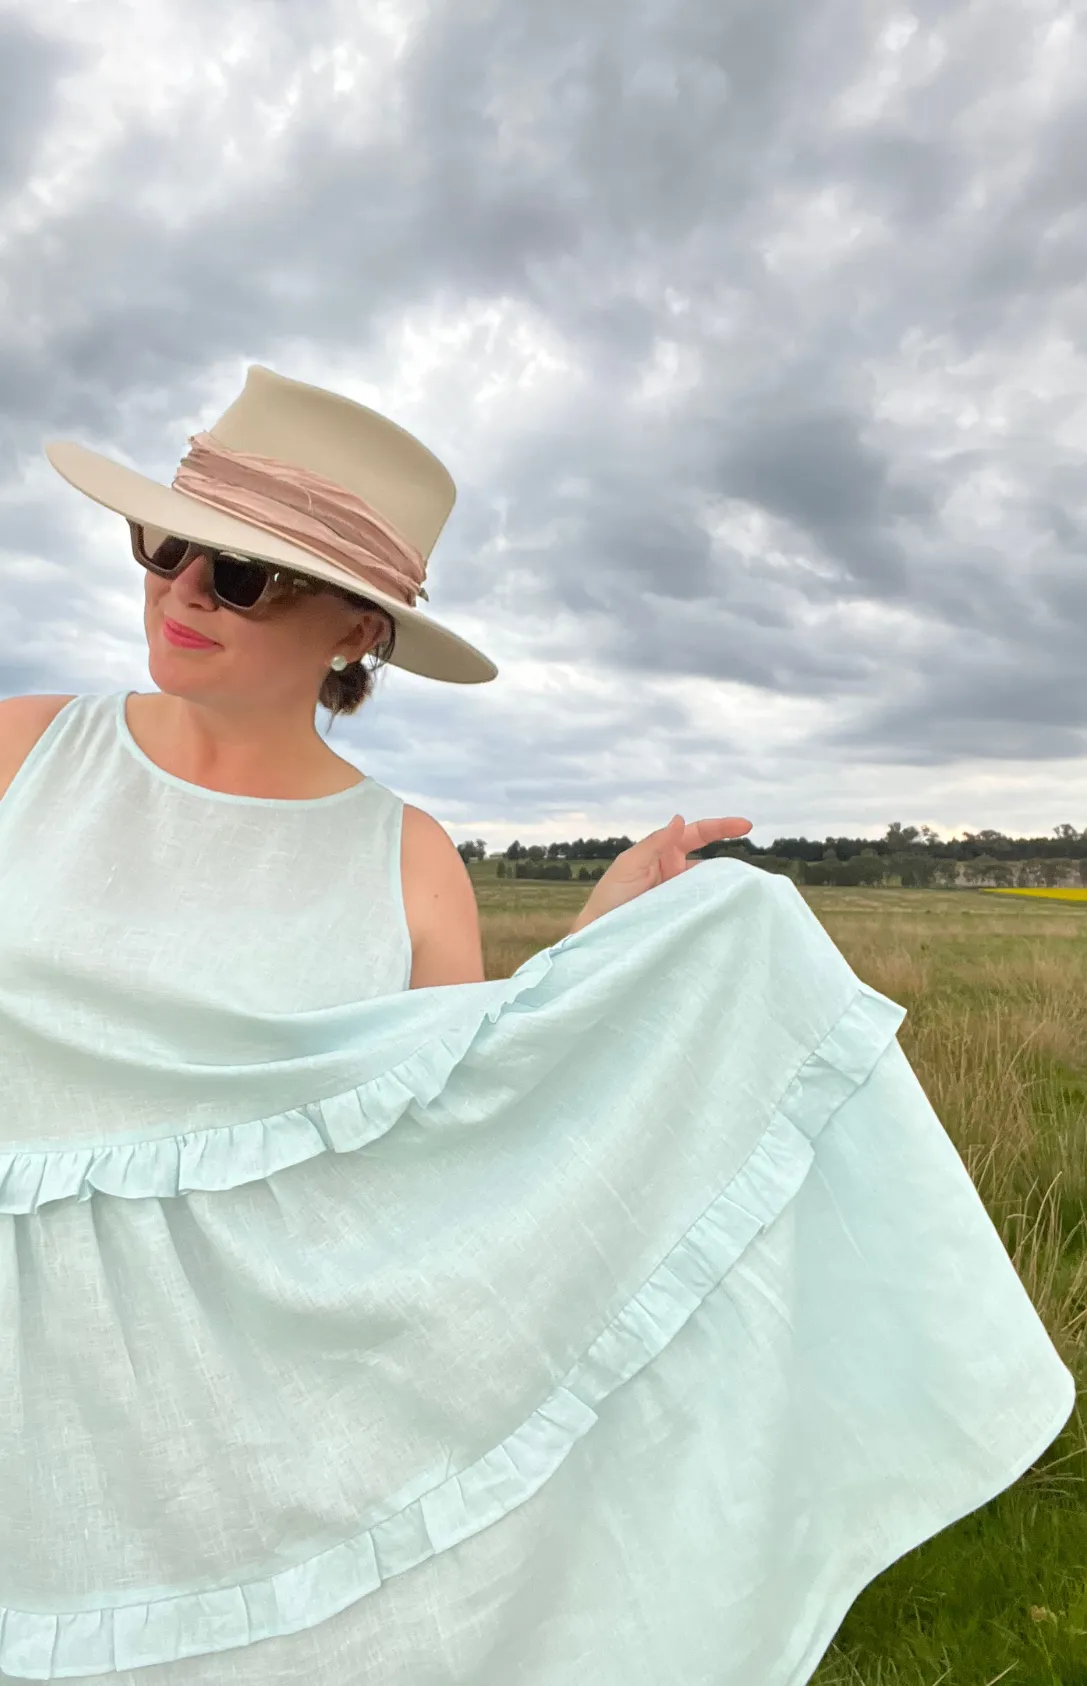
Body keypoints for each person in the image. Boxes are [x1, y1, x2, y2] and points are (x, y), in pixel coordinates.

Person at [0, 367, 1073, 1686]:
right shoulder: (24, 748)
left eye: (239, 574)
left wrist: (590, 956)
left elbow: (443, 1147)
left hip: (239, 1454)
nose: (176, 590)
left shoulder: (404, 861)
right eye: (162, 543)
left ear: (356, 630)